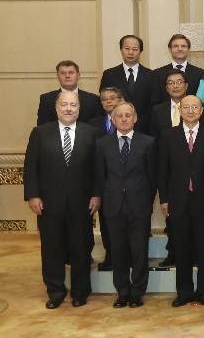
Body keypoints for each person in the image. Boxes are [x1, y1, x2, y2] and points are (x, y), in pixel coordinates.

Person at [24, 91, 101, 309]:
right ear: (56, 108)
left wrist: (96, 194)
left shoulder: (92, 133)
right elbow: (31, 167)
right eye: (64, 104)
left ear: (79, 108)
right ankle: (56, 292)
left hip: (82, 204)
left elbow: (98, 169)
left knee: (81, 248)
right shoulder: (39, 133)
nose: (68, 108)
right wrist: (33, 195)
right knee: (52, 249)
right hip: (49, 204)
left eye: (73, 105)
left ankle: (80, 292)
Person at [157, 95, 204, 307]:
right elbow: (162, 171)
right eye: (186, 107)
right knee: (181, 247)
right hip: (177, 200)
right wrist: (164, 199)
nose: (191, 111)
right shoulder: (167, 136)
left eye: (195, 107)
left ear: (201, 111)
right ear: (180, 111)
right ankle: (184, 292)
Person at [95, 102, 157, 308]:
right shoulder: (102, 144)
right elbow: (99, 177)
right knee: (118, 251)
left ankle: (137, 292)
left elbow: (152, 177)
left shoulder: (148, 143)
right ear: (113, 119)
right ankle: (122, 292)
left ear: (135, 118)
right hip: (113, 207)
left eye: (128, 115)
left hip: (139, 206)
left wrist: (146, 201)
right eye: (119, 116)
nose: (123, 119)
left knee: (139, 251)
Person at [149, 68, 196, 268]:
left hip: (194, 172)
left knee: (194, 216)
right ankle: (173, 252)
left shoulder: (196, 107)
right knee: (171, 215)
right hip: (169, 170)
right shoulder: (157, 111)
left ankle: (192, 253)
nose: (175, 86)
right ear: (166, 87)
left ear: (186, 86)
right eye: (171, 83)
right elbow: (153, 142)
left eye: (179, 82)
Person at [88, 86, 124, 271]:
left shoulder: (130, 120)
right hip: (103, 183)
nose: (109, 101)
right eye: (104, 99)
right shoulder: (92, 125)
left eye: (113, 97)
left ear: (121, 99)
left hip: (127, 182)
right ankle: (110, 255)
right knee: (107, 222)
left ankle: (127, 256)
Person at [98, 35, 158, 133]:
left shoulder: (151, 75)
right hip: (115, 128)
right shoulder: (109, 74)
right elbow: (103, 100)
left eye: (135, 49)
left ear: (140, 51)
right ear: (121, 50)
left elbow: (154, 104)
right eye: (127, 49)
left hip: (144, 129)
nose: (130, 52)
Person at [37, 60, 102, 125]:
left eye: (71, 73)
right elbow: (42, 128)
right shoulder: (46, 99)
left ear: (78, 75)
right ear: (58, 76)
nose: (67, 76)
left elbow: (97, 128)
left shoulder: (93, 100)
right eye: (63, 73)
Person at [154, 34, 204, 98]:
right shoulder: (158, 74)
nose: (180, 49)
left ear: (188, 49)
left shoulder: (200, 74)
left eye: (183, 46)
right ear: (170, 49)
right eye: (175, 46)